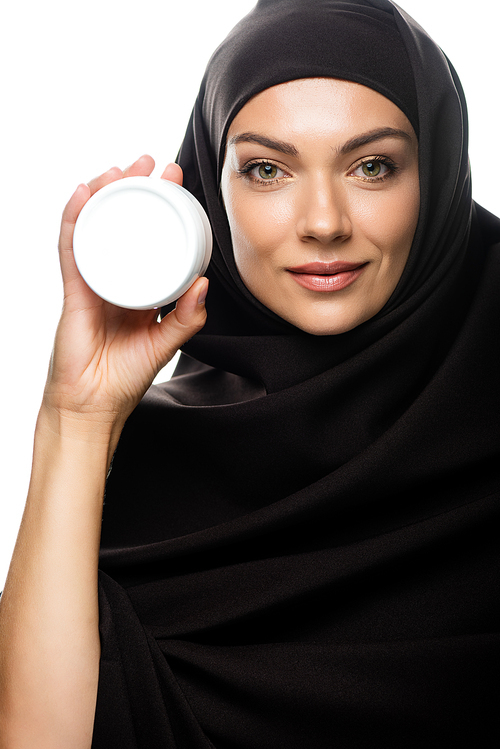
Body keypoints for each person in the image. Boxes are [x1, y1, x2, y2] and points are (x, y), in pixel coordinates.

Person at [1, 0, 499, 746]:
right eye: (268, 169)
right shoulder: (137, 456)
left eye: (373, 165)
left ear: (436, 171)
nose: (323, 220)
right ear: (209, 186)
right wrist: (76, 419)